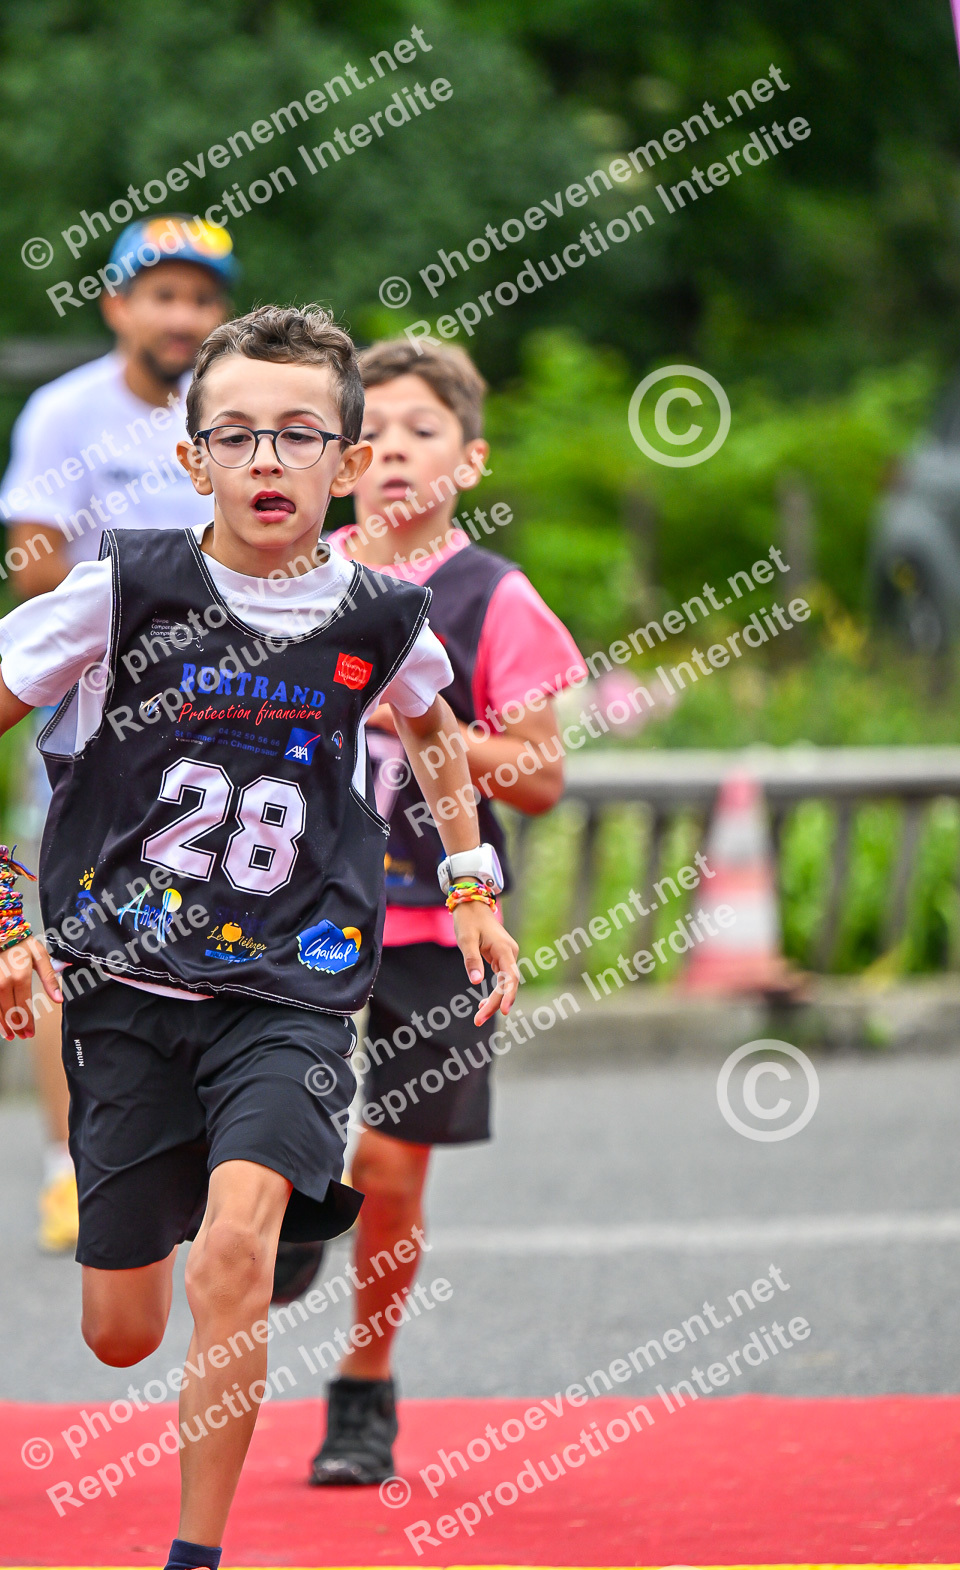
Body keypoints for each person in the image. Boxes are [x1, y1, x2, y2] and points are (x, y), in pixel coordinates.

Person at [0, 306, 521, 1570]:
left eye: (299, 434)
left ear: (346, 460)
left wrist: (471, 882)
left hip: (295, 984)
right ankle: (190, 1200)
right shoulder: (126, 588)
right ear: (191, 459)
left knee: (236, 1257)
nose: (268, 459)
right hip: (129, 985)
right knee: (119, 1331)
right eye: (238, 435)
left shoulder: (379, 615)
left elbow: (434, 731)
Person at [301, 337, 586, 1488]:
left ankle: (363, 1383)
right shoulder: (293, 575)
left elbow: (541, 775)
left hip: (436, 914)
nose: (392, 453)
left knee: (388, 1160)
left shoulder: (491, 596)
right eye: (370, 433)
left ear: (467, 461)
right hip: (297, 905)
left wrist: (423, 726)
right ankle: (280, 1221)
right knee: (263, 1124)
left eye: (422, 432)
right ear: (338, 458)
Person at [0, 216, 235, 1252]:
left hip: (223, 722)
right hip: (92, 722)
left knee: (223, 928)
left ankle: (221, 1152)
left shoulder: (234, 413)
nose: (182, 316)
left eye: (201, 299)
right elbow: (32, 564)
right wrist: (152, 605)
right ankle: (68, 1168)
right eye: (162, 295)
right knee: (70, 947)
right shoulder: (67, 413)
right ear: (117, 307)